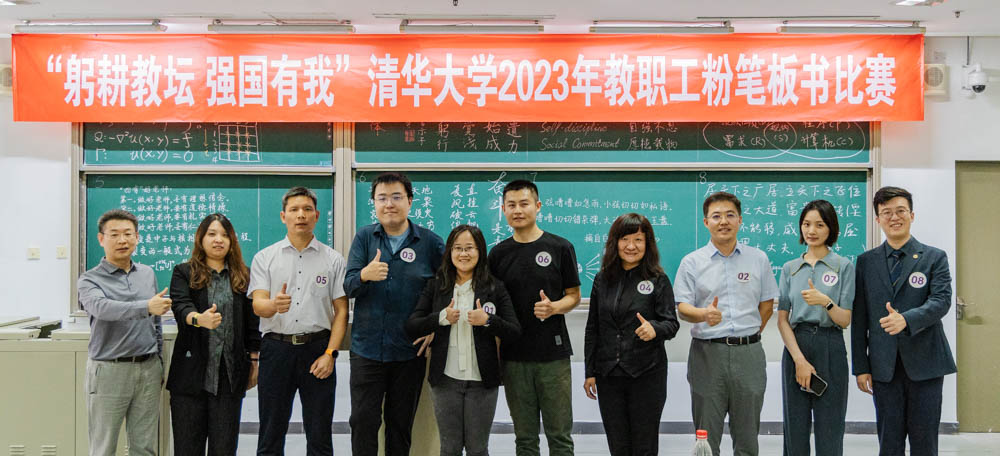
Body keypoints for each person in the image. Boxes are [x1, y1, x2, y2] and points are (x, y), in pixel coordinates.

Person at [344, 172, 445, 456]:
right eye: (382, 198)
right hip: (366, 349)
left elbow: (449, 288)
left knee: (400, 425)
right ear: (374, 203)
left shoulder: (430, 243)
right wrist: (364, 275)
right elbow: (349, 286)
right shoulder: (365, 237)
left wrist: (435, 326)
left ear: (410, 201)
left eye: (396, 197)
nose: (389, 204)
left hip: (409, 351)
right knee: (362, 421)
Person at [851, 186, 956, 456]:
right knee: (889, 443)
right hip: (884, 366)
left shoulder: (934, 257)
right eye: (886, 212)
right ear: (878, 219)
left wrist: (906, 320)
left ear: (912, 215)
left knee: (924, 443)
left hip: (926, 364)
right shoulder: (865, 262)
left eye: (900, 211)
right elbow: (860, 317)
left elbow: (941, 301)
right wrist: (861, 367)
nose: (894, 217)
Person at [674, 191, 778, 456]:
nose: (724, 221)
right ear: (706, 222)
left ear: (740, 220)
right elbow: (682, 308)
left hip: (749, 355)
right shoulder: (692, 262)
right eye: (716, 216)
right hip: (707, 355)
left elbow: (767, 305)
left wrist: (748, 334)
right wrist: (703, 315)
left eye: (730, 215)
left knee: (747, 437)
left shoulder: (758, 258)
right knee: (706, 438)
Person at [248, 187, 349, 456]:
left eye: (307, 209)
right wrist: (273, 305)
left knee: (319, 434)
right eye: (294, 210)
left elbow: (341, 311)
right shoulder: (265, 257)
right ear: (283, 216)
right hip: (276, 349)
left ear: (316, 216)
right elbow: (258, 304)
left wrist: (330, 354)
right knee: (270, 433)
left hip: (318, 350)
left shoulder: (333, 259)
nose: (301, 215)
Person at [405, 224, 521, 456]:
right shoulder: (437, 285)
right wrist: (441, 318)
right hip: (445, 381)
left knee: (478, 449)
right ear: (450, 252)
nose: (463, 254)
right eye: (457, 248)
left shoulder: (494, 287)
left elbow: (514, 331)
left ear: (480, 252)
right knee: (449, 448)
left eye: (470, 248)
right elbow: (412, 325)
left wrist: (488, 320)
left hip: (482, 381)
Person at [487, 179, 581, 456]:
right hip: (514, 358)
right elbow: (494, 308)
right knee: (525, 438)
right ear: (503, 210)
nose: (518, 210)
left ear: (538, 206)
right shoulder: (497, 254)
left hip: (553, 356)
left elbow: (574, 295)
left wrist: (554, 307)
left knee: (560, 436)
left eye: (524, 204)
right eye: (511, 205)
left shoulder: (560, 247)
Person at [583, 213, 680, 456]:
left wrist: (655, 328)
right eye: (625, 239)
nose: (631, 246)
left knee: (644, 445)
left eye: (638, 240)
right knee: (618, 445)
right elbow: (593, 327)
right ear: (615, 242)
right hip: (608, 374)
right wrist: (590, 371)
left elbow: (671, 323)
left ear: (647, 244)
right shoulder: (602, 279)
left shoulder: (658, 279)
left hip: (647, 373)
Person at [166, 213, 262, 456]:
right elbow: (180, 306)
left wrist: (254, 361)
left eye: (224, 235)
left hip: (229, 376)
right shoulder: (184, 272)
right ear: (201, 239)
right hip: (190, 375)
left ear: (232, 241)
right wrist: (199, 319)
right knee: (187, 449)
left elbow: (253, 324)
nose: (218, 240)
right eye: (212, 234)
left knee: (224, 449)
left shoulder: (244, 275)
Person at [77, 209, 167, 456]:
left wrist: (159, 361)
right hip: (109, 370)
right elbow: (102, 308)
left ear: (137, 237)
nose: (122, 240)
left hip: (148, 368)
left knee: (144, 447)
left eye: (128, 234)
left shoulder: (147, 273)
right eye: (114, 234)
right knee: (104, 446)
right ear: (101, 239)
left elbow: (155, 323)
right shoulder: (89, 280)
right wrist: (146, 307)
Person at [776, 200, 854, 456]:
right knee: (795, 428)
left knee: (830, 428)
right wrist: (799, 360)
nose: (812, 230)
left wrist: (826, 302)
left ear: (830, 228)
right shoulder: (790, 268)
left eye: (819, 225)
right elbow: (782, 320)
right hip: (796, 346)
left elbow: (845, 319)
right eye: (806, 224)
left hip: (830, 345)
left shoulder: (843, 266)